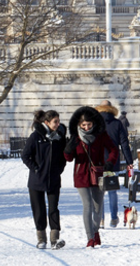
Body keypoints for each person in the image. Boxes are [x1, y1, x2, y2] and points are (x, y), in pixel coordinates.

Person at [64, 106, 120, 248]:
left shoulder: (101, 135)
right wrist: (68, 149)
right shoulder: (75, 137)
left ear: (94, 123)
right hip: (81, 175)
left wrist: (109, 163)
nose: (87, 127)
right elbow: (69, 158)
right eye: (84, 125)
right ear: (79, 125)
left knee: (97, 207)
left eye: (89, 124)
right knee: (87, 206)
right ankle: (90, 237)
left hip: (98, 174)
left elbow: (114, 149)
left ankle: (95, 232)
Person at [21, 109, 67, 249]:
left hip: (53, 179)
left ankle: (55, 239)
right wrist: (36, 169)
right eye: (55, 122)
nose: (58, 124)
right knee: (39, 210)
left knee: (53, 209)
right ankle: (41, 239)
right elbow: (25, 155)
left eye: (58, 121)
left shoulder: (60, 137)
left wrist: (59, 169)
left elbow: (63, 158)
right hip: (36, 181)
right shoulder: (36, 136)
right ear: (47, 122)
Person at [97, 100, 134, 228]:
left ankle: (100, 219)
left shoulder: (95, 124)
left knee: (99, 192)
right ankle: (113, 218)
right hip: (112, 162)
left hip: (98, 162)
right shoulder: (117, 124)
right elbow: (124, 143)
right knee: (112, 191)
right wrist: (129, 161)